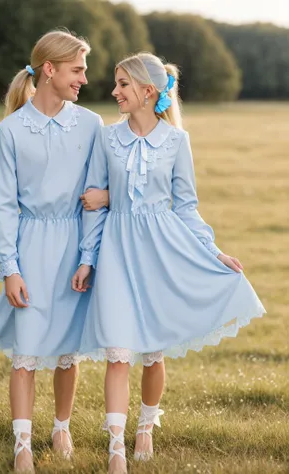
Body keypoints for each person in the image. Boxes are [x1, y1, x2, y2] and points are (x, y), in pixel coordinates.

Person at [72, 52, 265, 474]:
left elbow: (186, 206)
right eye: (115, 83)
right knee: (118, 352)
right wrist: (88, 258)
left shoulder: (177, 141)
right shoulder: (106, 138)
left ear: (147, 91)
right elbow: (94, 203)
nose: (114, 91)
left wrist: (213, 252)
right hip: (118, 252)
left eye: (122, 84)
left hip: (162, 252)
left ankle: (146, 426)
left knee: (153, 353)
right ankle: (116, 450)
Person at [0, 29, 108, 472]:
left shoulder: (92, 124)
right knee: (28, 350)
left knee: (68, 350)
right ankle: (22, 445)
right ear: (49, 70)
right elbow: (3, 205)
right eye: (77, 70)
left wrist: (89, 256)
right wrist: (9, 268)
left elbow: (98, 194)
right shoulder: (11, 130)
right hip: (30, 246)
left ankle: (61, 426)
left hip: (74, 245)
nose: (85, 80)